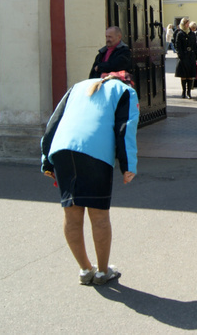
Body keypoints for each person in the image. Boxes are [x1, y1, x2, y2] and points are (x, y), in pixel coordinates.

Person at [40, 72, 139, 286]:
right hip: (95, 153)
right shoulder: (126, 91)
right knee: (99, 216)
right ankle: (103, 272)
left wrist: (46, 161)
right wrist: (127, 165)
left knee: (72, 213)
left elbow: (53, 123)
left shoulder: (77, 87)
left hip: (62, 150)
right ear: (127, 81)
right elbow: (125, 128)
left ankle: (85, 269)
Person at [173, 18, 197, 98]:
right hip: (183, 57)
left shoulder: (192, 34)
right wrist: (180, 55)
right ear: (183, 24)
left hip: (191, 57)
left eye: (188, 23)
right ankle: (183, 91)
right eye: (186, 23)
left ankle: (189, 92)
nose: (187, 25)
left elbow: (195, 46)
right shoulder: (180, 33)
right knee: (183, 75)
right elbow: (177, 46)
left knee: (190, 75)